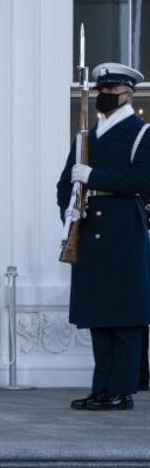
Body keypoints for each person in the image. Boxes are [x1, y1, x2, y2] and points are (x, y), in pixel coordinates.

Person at [58, 62, 150, 411]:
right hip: (90, 229)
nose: (103, 97)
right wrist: (69, 212)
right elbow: (64, 182)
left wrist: (94, 176)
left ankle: (121, 389)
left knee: (124, 316)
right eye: (100, 91)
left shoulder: (142, 133)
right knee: (99, 315)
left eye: (109, 92)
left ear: (127, 94)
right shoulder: (86, 136)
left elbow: (142, 179)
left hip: (123, 231)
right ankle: (102, 387)